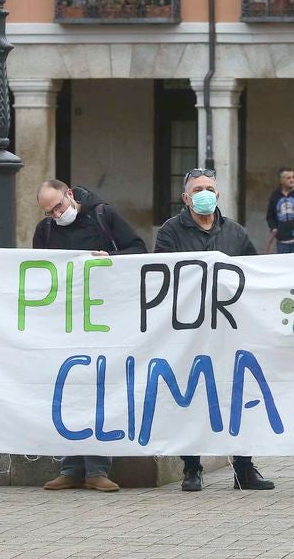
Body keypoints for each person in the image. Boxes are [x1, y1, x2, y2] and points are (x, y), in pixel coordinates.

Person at [155, 168, 276, 492]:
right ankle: (191, 468)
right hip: (189, 331)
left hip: (229, 329)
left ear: (218, 194)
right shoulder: (170, 232)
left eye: (209, 188)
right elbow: (161, 276)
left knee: (237, 395)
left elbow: (254, 274)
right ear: (185, 197)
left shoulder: (235, 232)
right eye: (198, 189)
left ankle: (244, 468)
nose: (204, 193)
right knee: (190, 397)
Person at [33, 180, 146, 493]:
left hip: (103, 318)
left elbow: (138, 249)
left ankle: (97, 468)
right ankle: (70, 467)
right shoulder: (45, 231)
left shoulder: (102, 214)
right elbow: (38, 271)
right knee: (67, 390)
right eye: (50, 212)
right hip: (65, 321)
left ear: (69, 194)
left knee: (97, 388)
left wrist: (109, 257)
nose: (57, 214)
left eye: (58, 206)